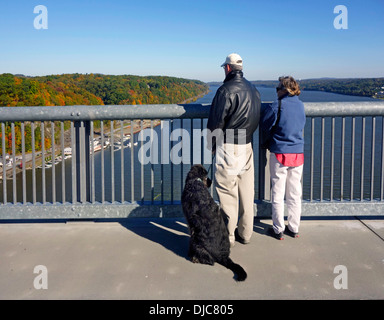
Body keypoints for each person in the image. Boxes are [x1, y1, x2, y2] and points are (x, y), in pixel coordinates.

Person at [207, 53, 261, 247]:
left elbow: (216, 121)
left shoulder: (225, 91)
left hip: (229, 145)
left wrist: (212, 146)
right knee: (246, 192)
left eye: (224, 68)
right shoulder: (254, 90)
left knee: (227, 192)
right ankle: (246, 234)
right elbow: (256, 118)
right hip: (247, 146)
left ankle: (228, 237)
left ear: (228, 68)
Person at [260, 76, 306, 240]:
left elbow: (265, 125)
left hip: (280, 153)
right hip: (298, 154)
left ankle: (278, 229)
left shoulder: (277, 105)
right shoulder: (301, 105)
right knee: (294, 193)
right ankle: (294, 228)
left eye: (277, 88)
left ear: (283, 89)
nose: (276, 91)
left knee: (278, 193)